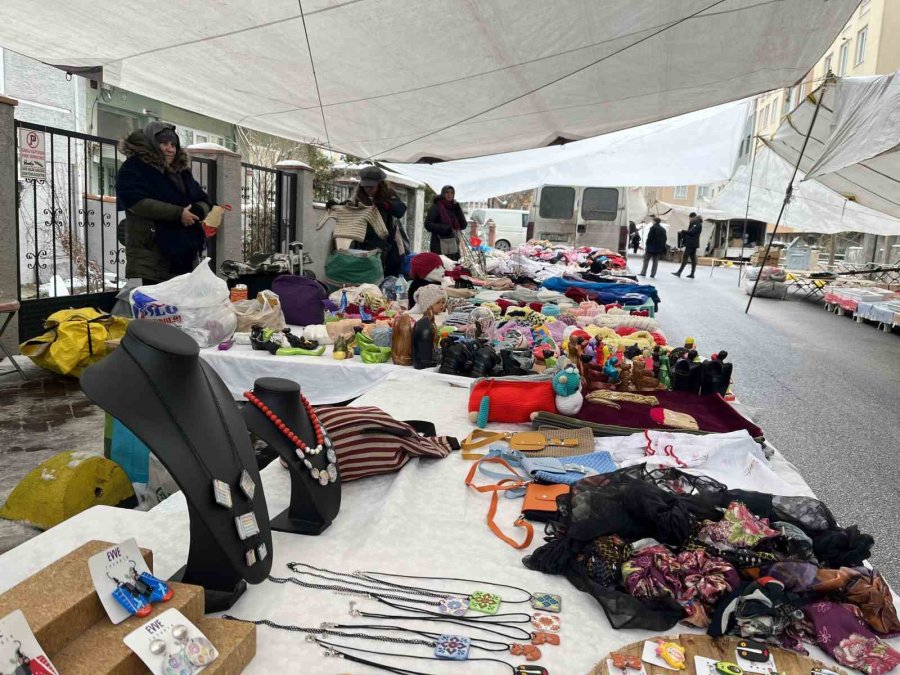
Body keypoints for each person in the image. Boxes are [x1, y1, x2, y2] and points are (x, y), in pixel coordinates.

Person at [116, 122, 211, 284]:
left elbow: (204, 200)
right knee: (156, 305)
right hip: (152, 254)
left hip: (183, 254)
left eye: (173, 144)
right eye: (164, 144)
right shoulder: (133, 168)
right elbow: (136, 202)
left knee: (181, 304)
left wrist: (197, 210)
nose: (170, 149)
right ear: (152, 143)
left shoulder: (181, 171)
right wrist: (178, 213)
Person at [353, 166, 408, 277]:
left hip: (388, 244)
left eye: (372, 187)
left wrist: (387, 205)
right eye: (366, 186)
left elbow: (400, 209)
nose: (368, 189)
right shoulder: (359, 195)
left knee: (387, 275)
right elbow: (350, 207)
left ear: (380, 184)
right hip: (364, 243)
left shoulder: (388, 194)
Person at [425, 185, 468, 260]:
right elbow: (428, 224)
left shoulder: (454, 208)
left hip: (453, 243)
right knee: (442, 266)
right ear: (443, 194)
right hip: (439, 243)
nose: (449, 195)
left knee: (453, 266)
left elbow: (463, 225)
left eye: (452, 193)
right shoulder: (436, 207)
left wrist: (458, 209)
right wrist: (445, 228)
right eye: (447, 192)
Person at [672, 212, 703, 278]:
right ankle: (692, 274)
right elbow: (690, 232)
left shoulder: (697, 224)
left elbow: (692, 232)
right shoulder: (695, 223)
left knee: (685, 257)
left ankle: (679, 272)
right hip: (693, 243)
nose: (689, 220)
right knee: (693, 259)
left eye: (689, 218)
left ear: (693, 217)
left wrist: (682, 231)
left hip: (691, 244)